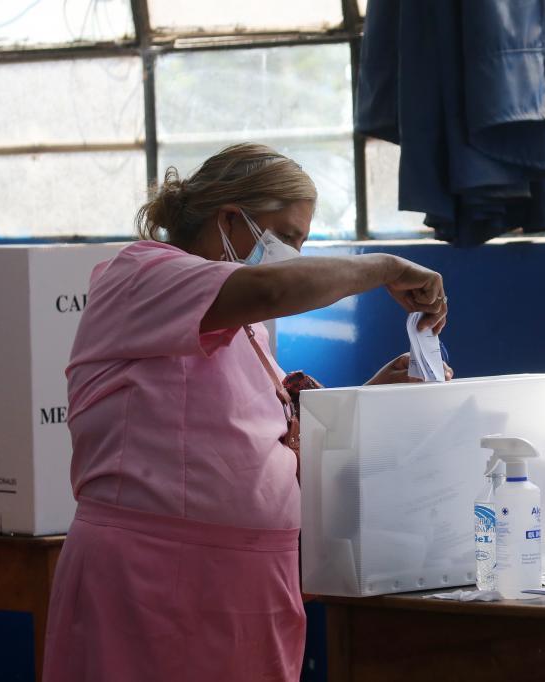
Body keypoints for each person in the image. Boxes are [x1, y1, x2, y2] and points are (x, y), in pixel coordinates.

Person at [42, 143, 451, 681]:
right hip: (153, 578)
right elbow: (274, 286)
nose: (294, 256)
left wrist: (374, 394)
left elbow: (264, 446)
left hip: (249, 580)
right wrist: (385, 267)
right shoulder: (141, 276)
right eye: (287, 237)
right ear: (230, 219)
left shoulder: (246, 327)